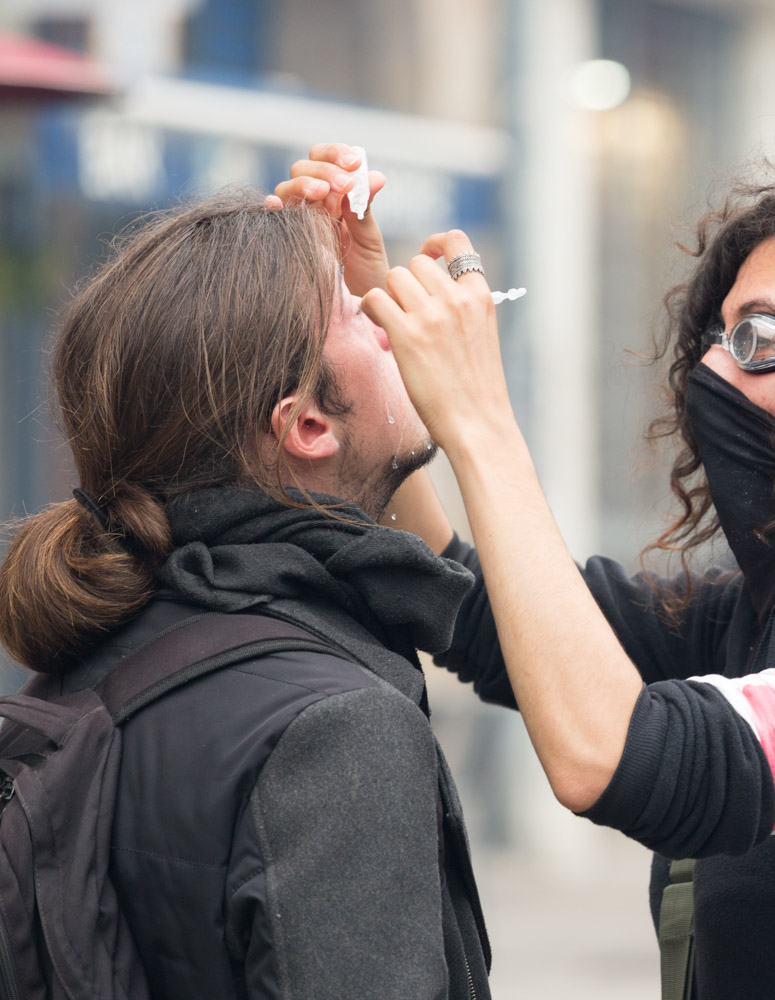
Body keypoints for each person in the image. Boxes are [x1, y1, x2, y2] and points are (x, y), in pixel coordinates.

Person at [275, 146, 775, 998]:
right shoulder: (763, 623)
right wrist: (376, 372)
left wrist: (482, 422)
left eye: (762, 339)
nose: (711, 371)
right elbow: (478, 609)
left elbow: (615, 757)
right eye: (717, 334)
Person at [0, 180, 491, 998]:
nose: (393, 319)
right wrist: (483, 414)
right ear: (305, 426)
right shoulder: (339, 728)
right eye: (358, 315)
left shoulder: (95, 662)